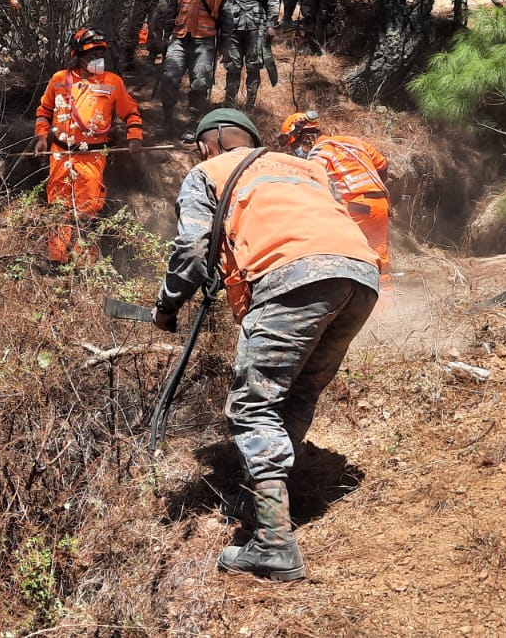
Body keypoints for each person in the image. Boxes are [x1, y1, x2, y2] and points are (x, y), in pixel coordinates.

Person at [153, 108, 381, 582]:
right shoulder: (301, 166)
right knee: (296, 395)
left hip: (293, 276)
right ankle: (267, 505)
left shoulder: (206, 172)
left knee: (254, 409)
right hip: (359, 274)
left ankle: (274, 545)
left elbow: (192, 251)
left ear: (206, 144)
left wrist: (166, 307)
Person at [33, 29, 144, 263]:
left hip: (92, 155)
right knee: (59, 207)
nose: (97, 59)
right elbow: (44, 111)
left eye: (100, 53)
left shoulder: (113, 83)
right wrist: (42, 137)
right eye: (92, 54)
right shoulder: (59, 79)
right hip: (61, 153)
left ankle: (85, 263)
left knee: (88, 208)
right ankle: (58, 259)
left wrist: (134, 138)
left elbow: (131, 113)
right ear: (77, 56)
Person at [162, 0, 259, 135]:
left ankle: (192, 122)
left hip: (205, 42)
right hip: (180, 37)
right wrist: (165, 34)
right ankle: (166, 121)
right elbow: (173, 8)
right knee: (169, 76)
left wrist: (225, 48)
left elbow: (227, 21)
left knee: (200, 83)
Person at [280, 111, 392, 276]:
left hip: (355, 209)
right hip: (381, 206)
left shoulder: (318, 154)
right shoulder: (353, 142)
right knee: (378, 259)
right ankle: (386, 300)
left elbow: (312, 191)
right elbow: (382, 165)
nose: (296, 152)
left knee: (343, 256)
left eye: (295, 146)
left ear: (306, 138)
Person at [224, 0, 280, 108]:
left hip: (257, 25)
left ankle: (250, 103)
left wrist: (271, 24)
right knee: (233, 66)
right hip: (234, 25)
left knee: (253, 65)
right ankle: (229, 102)